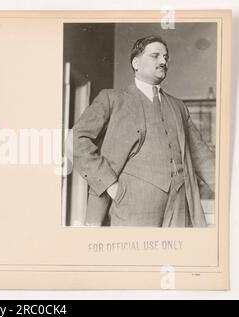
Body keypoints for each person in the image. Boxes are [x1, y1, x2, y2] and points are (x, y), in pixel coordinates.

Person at [72, 35, 215, 227]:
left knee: (176, 257)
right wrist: (110, 185)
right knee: (134, 257)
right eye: (155, 55)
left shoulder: (178, 106)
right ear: (136, 63)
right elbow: (76, 139)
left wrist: (228, 189)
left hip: (180, 205)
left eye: (166, 57)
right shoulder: (112, 99)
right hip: (131, 205)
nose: (163, 61)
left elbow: (202, 156)